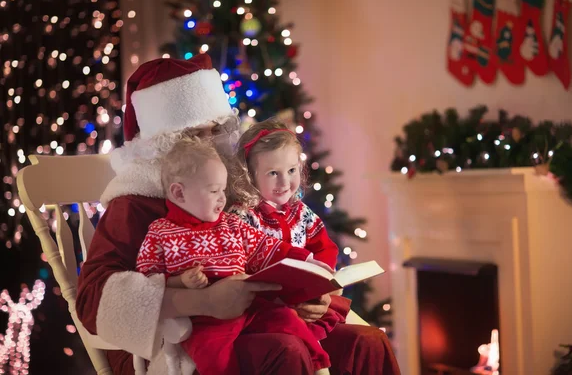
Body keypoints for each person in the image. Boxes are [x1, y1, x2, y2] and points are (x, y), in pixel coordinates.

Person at [76, 53, 401, 375]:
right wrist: (202, 302)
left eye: (216, 130)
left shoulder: (226, 188)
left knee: (366, 343)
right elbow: (93, 301)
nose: (212, 144)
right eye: (196, 135)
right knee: (284, 351)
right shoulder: (134, 204)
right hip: (173, 345)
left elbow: (261, 250)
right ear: (163, 147)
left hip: (253, 321)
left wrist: (312, 288)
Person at [136, 137, 331, 375]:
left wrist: (308, 262)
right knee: (214, 358)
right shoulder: (161, 232)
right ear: (179, 193)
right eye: (214, 191)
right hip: (204, 320)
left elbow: (267, 247)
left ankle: (320, 365)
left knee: (287, 319)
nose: (222, 198)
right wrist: (180, 281)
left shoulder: (231, 224)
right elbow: (147, 280)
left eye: (223, 190)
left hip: (249, 306)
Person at [228, 118, 349, 342]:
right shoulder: (242, 217)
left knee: (367, 339)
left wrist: (321, 283)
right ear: (250, 176)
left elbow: (325, 248)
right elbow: (239, 268)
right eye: (273, 173)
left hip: (307, 302)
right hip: (266, 310)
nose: (285, 182)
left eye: (292, 170)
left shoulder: (301, 212)